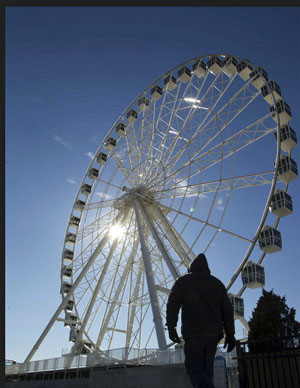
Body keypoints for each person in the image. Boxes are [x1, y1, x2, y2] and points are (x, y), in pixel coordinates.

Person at [166, 253, 236, 388]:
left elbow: (173, 303)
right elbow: (227, 311)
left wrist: (171, 326)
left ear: (192, 267)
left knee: (193, 368)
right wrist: (230, 334)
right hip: (213, 335)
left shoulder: (184, 281)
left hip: (194, 333)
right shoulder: (217, 284)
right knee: (207, 371)